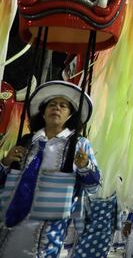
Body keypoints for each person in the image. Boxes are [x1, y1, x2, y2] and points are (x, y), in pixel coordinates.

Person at [0, 80, 100, 257]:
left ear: (70, 115)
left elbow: (93, 187)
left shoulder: (80, 144)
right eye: (52, 104)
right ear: (43, 112)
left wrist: (85, 166)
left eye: (63, 106)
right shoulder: (27, 140)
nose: (57, 108)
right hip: (9, 224)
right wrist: (6, 163)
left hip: (49, 231)